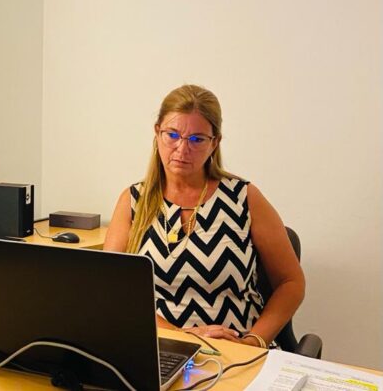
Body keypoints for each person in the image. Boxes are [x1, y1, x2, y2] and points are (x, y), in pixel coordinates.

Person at [103, 84, 304, 348]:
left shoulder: (244, 197)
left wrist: (254, 341)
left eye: (197, 139)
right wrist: (184, 336)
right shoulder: (133, 201)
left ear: (215, 142)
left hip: (237, 349)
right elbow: (112, 290)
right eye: (172, 135)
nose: (182, 149)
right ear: (157, 132)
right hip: (159, 347)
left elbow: (291, 282)